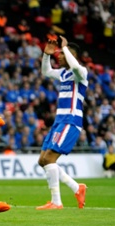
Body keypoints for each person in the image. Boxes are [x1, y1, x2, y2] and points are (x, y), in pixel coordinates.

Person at [36, 35, 87, 210]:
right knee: (43, 160)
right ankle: (76, 187)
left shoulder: (81, 73)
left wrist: (65, 47)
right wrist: (46, 55)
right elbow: (46, 72)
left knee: (50, 158)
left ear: (71, 55)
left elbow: (76, 66)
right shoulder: (64, 74)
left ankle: (56, 202)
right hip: (59, 121)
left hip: (71, 121)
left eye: (62, 54)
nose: (59, 56)